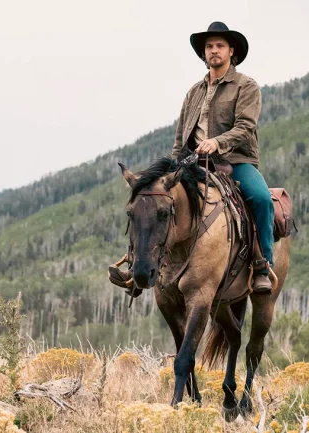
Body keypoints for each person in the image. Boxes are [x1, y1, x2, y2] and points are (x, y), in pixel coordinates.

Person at [109, 22, 275, 293]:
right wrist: (172, 166)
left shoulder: (246, 86)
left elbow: (245, 128)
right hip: (193, 164)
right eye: (209, 47)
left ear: (231, 51)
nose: (214, 51)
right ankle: (139, 265)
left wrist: (216, 142)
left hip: (235, 162)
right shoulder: (193, 92)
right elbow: (180, 136)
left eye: (220, 46)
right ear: (204, 53)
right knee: (150, 199)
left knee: (262, 199)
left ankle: (262, 264)